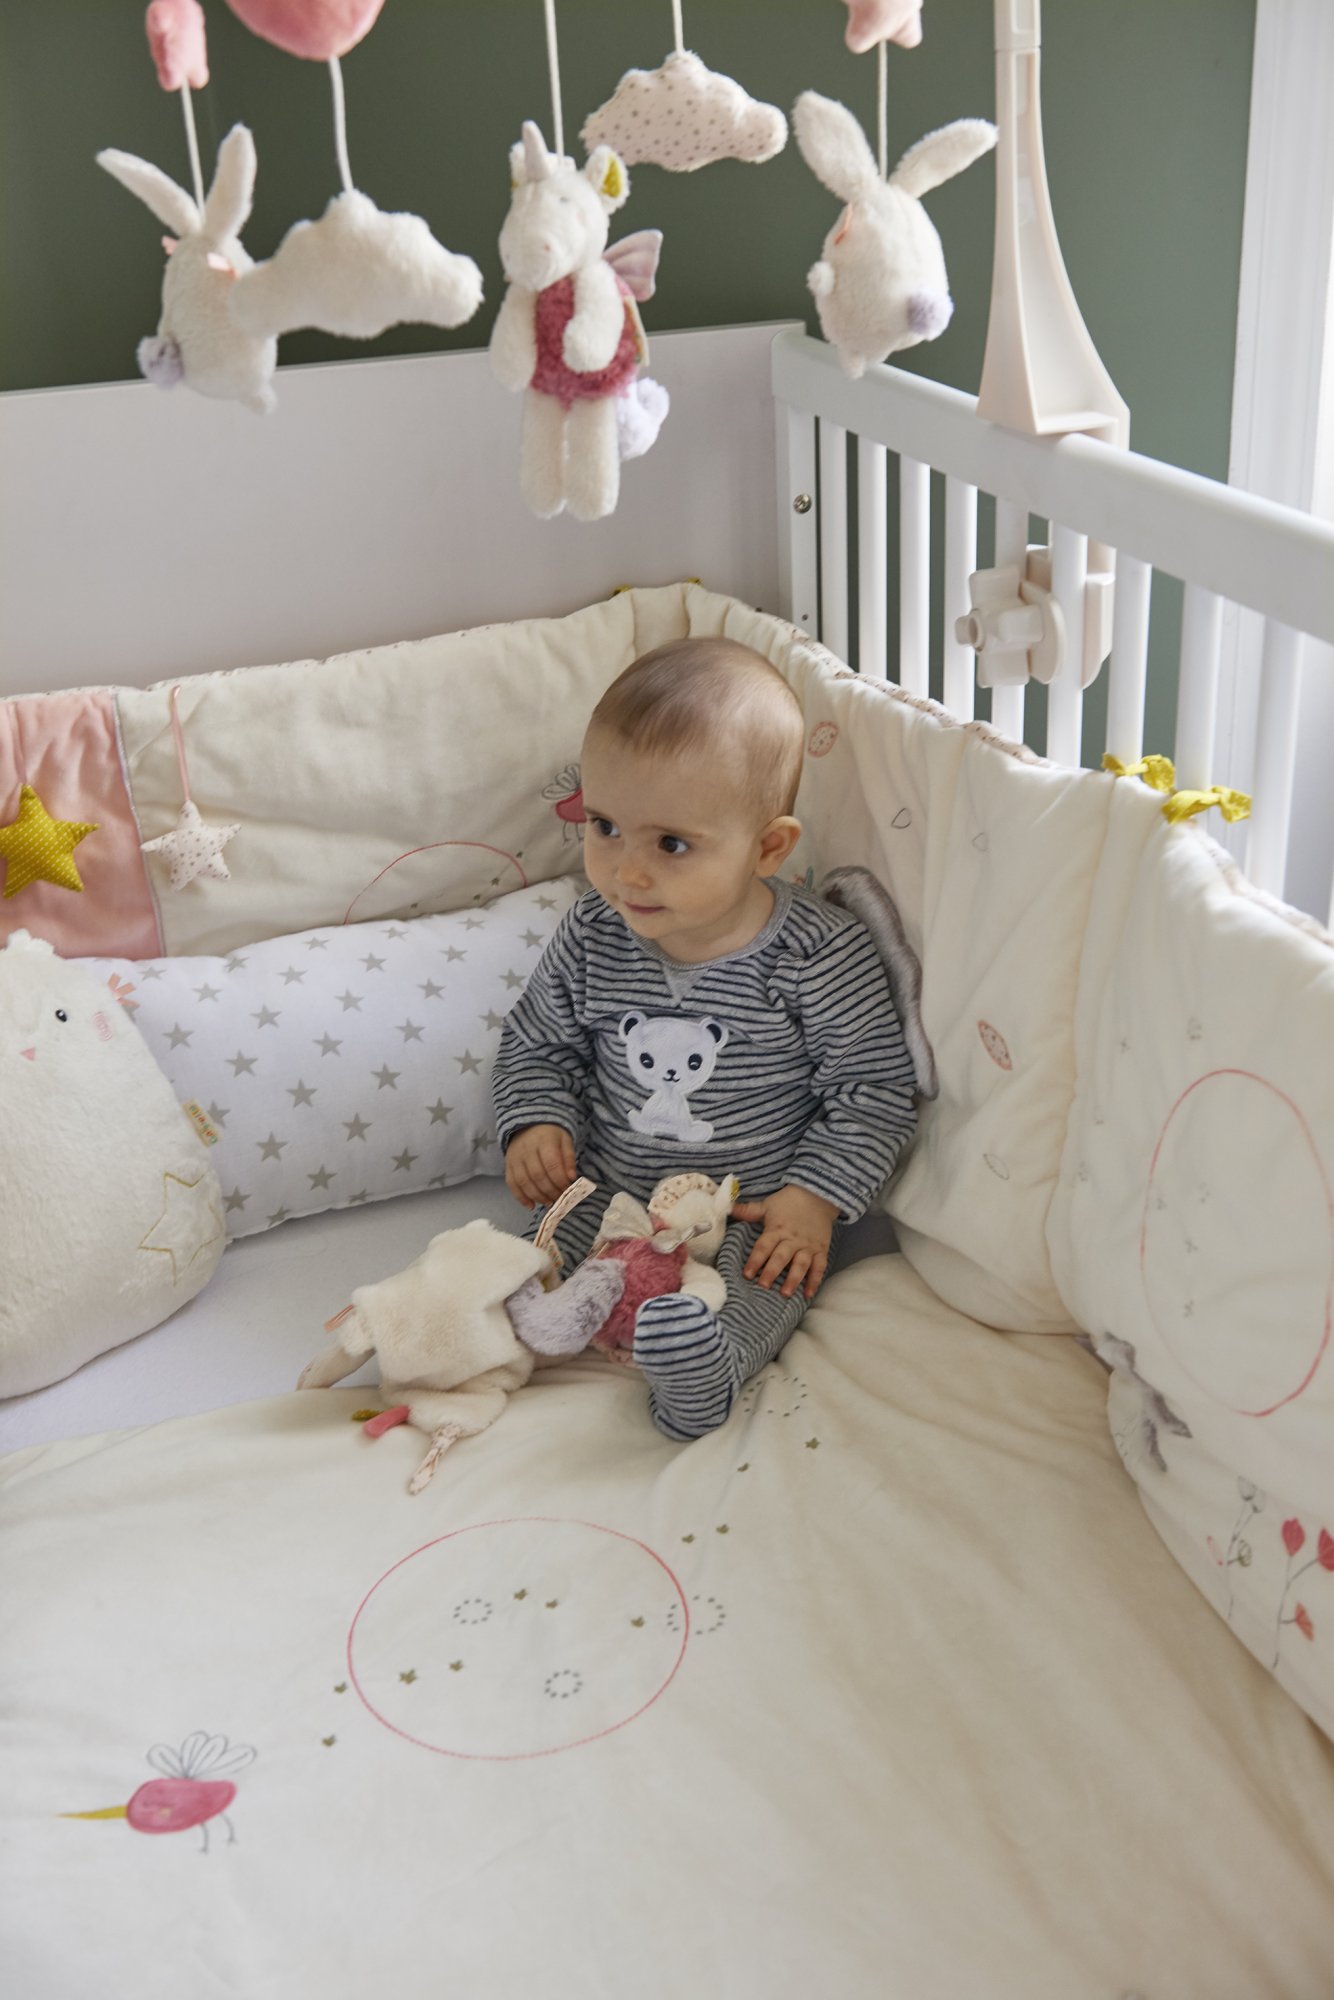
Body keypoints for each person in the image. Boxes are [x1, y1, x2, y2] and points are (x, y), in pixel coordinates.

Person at [492, 635, 917, 1439]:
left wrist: (812, 1198)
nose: (627, 871)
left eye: (672, 844)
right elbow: (539, 1041)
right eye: (605, 826)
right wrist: (536, 1121)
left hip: (753, 1206)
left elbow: (871, 1091)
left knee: (768, 1283)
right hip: (605, 1187)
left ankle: (704, 1371)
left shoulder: (817, 955)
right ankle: (483, 1341)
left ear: (768, 848)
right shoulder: (593, 931)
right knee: (524, 1270)